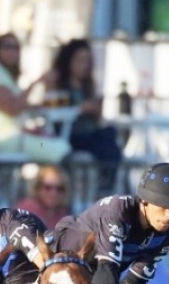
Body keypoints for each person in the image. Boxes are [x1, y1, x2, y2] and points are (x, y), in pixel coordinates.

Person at [0, 33, 71, 164]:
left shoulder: (2, 73)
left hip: (14, 136)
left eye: (16, 48)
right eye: (7, 47)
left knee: (56, 143)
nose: (12, 52)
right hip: (2, 140)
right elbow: (12, 108)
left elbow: (12, 106)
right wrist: (37, 82)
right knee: (60, 149)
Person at [43, 38, 121, 188]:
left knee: (109, 134)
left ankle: (107, 182)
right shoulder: (58, 82)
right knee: (107, 139)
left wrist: (95, 110)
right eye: (80, 60)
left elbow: (97, 120)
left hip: (89, 133)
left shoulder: (89, 85)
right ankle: (106, 183)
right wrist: (80, 108)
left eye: (87, 61)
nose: (84, 65)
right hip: (69, 136)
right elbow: (52, 109)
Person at [14, 164, 71, 230]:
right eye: (48, 188)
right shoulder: (25, 210)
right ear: (37, 187)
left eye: (60, 188)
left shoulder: (63, 215)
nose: (54, 193)